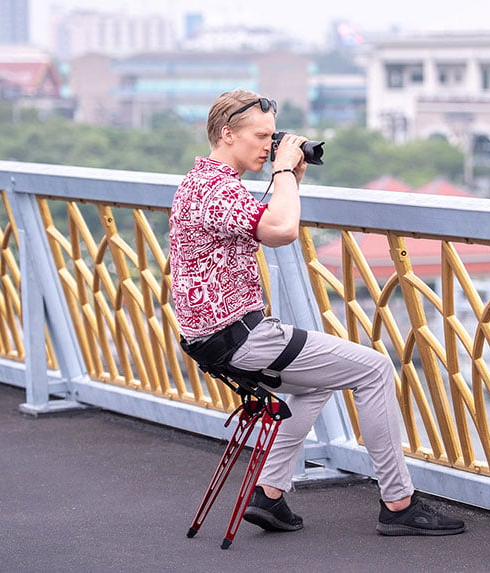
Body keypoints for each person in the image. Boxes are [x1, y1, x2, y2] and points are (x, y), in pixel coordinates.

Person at [168, 89, 465, 536]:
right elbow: (283, 229)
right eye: (261, 136)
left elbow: (266, 220)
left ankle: (268, 496)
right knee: (374, 369)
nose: (269, 146)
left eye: (274, 137)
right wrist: (283, 169)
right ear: (227, 134)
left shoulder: (199, 181)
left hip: (212, 340)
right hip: (243, 338)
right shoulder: (218, 189)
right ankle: (399, 503)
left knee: (318, 381)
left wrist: (291, 178)